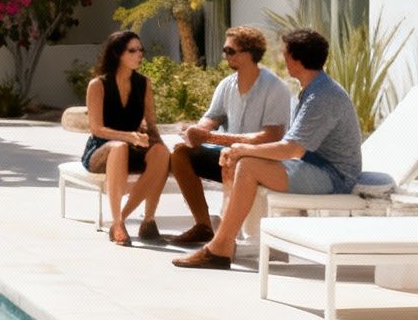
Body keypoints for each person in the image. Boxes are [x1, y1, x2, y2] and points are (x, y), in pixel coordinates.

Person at [174, 26, 364, 269]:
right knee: (241, 161)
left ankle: (221, 246)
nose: (283, 58)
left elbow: (291, 149)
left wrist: (242, 149)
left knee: (248, 165)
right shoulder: (313, 89)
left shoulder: (322, 95)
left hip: (333, 176)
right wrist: (237, 150)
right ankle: (233, 240)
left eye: (285, 53)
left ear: (295, 58)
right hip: (311, 166)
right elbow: (292, 148)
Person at [164, 25, 292, 245]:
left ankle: (225, 238)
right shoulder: (226, 85)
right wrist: (197, 130)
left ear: (249, 53)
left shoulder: (274, 87)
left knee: (233, 157)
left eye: (230, 51)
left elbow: (270, 137)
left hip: (258, 159)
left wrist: (212, 138)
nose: (225, 56)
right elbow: (212, 117)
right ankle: (203, 225)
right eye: (225, 51)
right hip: (227, 155)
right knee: (180, 154)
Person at [81, 29, 173, 247]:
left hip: (132, 145)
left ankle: (143, 219)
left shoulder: (144, 83)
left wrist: (157, 143)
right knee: (120, 146)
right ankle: (118, 221)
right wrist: (129, 137)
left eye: (141, 50)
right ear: (117, 54)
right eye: (132, 50)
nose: (139, 54)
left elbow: (151, 124)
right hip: (101, 149)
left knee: (161, 152)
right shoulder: (98, 85)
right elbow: (96, 129)